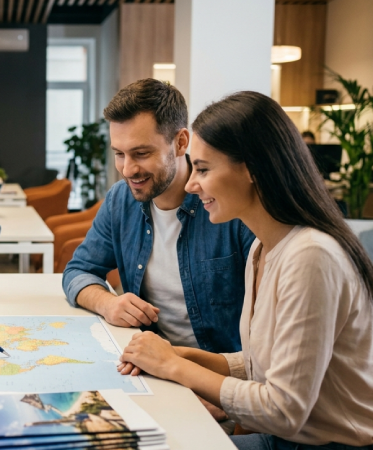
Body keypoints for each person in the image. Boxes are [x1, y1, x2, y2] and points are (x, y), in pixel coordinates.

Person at [119, 91, 373, 450]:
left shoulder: (312, 258)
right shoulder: (262, 247)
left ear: (253, 169)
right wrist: (181, 354)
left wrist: (176, 368)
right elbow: (262, 364)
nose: (191, 184)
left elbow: (284, 410)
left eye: (204, 169)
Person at [63, 78, 255, 355]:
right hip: (149, 360)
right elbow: (78, 270)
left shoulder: (228, 204)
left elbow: (265, 331)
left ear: (180, 142)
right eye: (119, 154)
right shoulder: (120, 199)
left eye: (141, 153)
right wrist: (108, 303)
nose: (128, 169)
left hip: (218, 373)